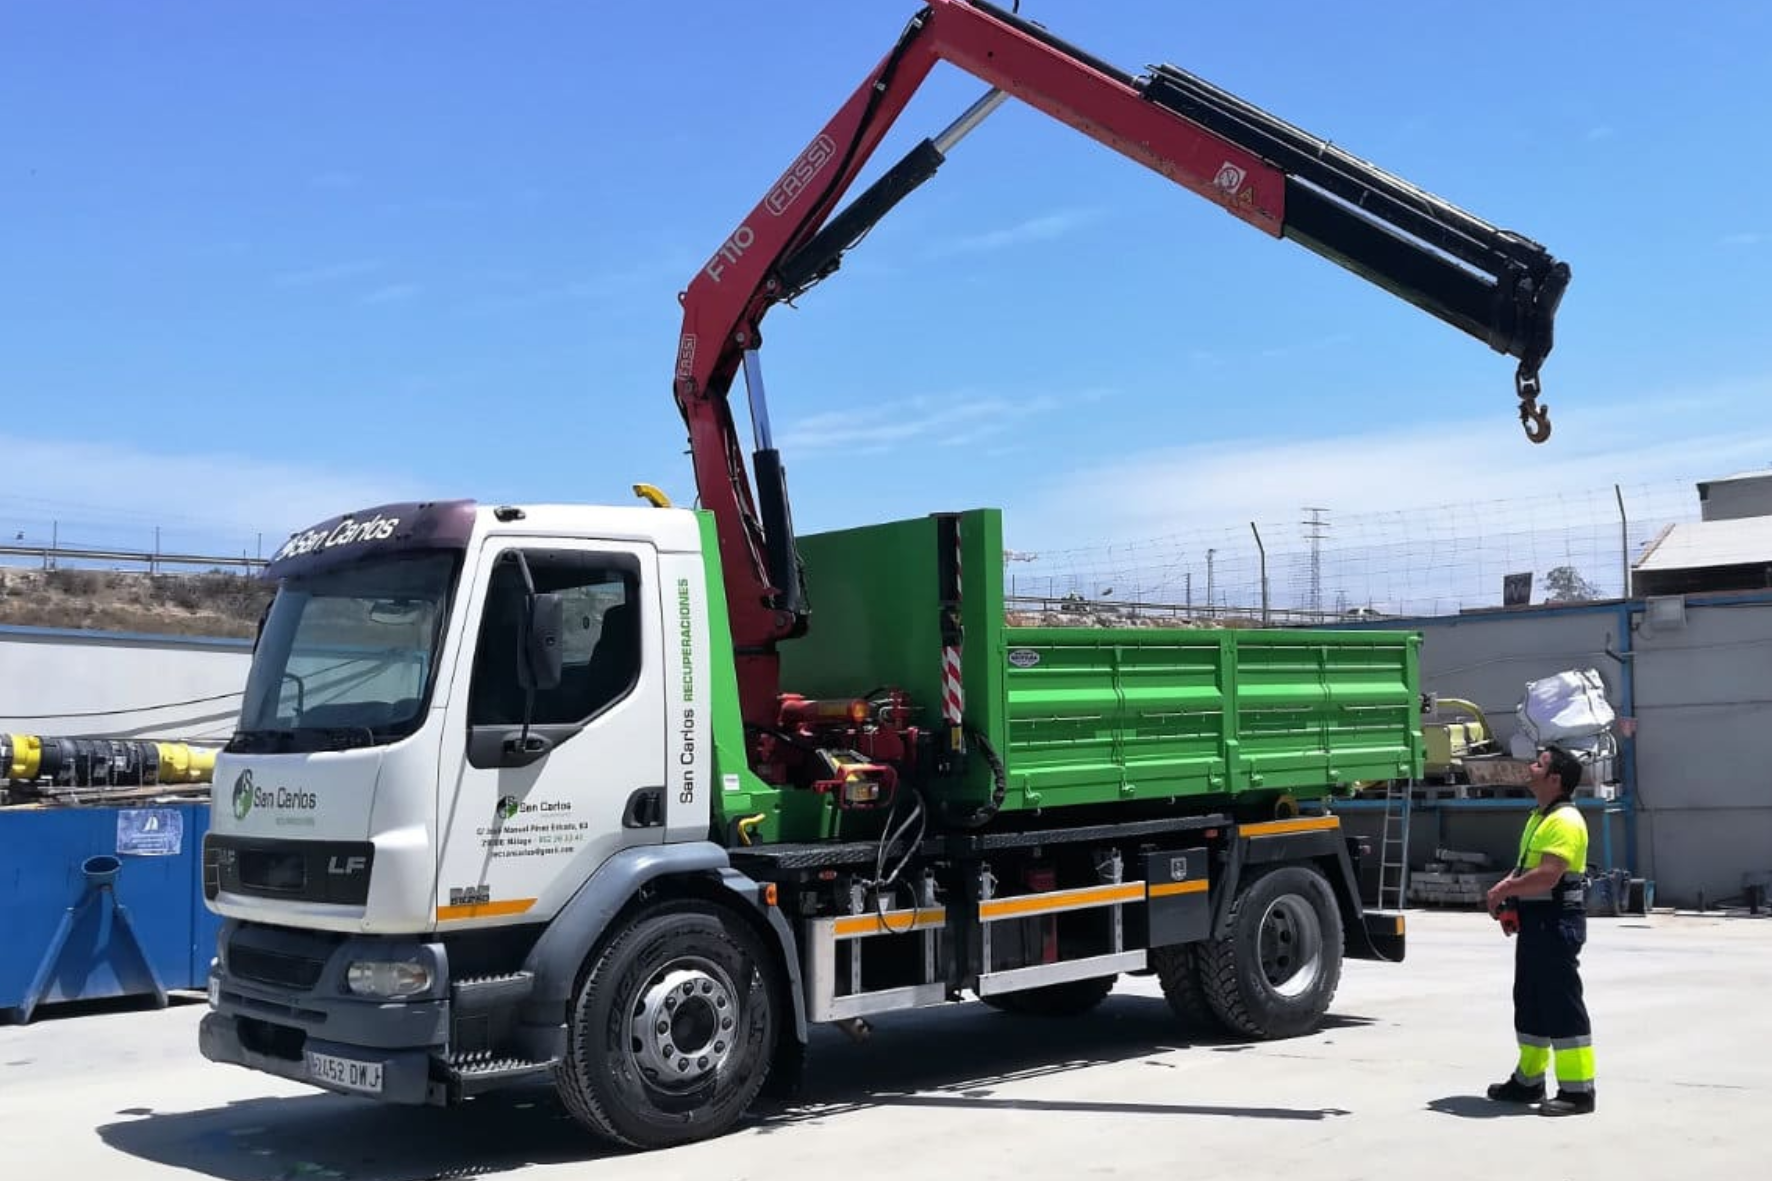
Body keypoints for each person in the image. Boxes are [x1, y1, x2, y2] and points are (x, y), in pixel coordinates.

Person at [1484, 743, 1595, 1115]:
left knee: (1561, 1005)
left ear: (1555, 778)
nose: (1531, 767)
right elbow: (1525, 870)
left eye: (1539, 764)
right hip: (1536, 923)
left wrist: (1503, 890)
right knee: (1530, 1001)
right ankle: (1528, 1080)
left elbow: (1548, 876)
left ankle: (1578, 1092)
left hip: (1556, 923)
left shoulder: (1565, 821)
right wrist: (1510, 898)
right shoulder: (1540, 817)